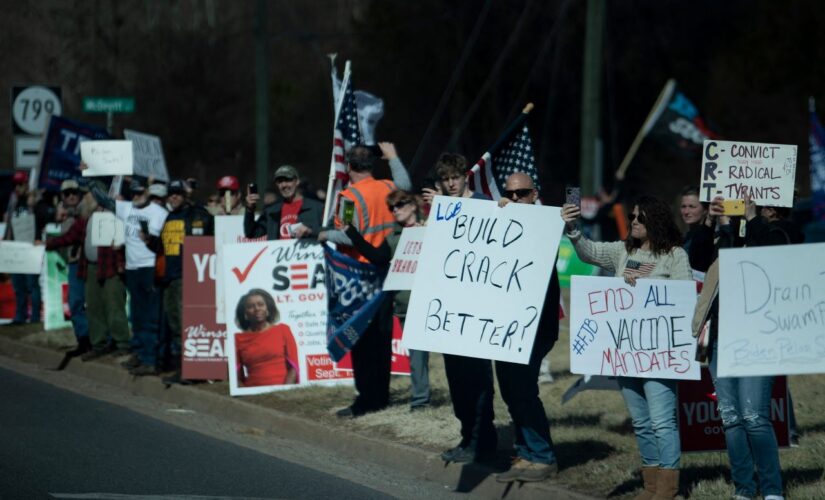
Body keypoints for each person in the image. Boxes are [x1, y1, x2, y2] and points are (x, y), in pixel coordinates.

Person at [561, 195, 690, 499]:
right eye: (632, 217)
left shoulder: (674, 255)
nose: (633, 222)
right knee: (642, 423)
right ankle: (651, 484)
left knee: (662, 421)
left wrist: (643, 286)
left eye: (640, 218)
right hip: (625, 353)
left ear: (655, 222)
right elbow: (589, 252)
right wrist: (574, 229)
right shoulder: (622, 251)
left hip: (658, 355)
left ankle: (668, 488)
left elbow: (684, 298)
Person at [693, 194, 798, 500]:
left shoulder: (777, 232)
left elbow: (771, 258)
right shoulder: (724, 236)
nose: (735, 205)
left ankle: (772, 490)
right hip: (721, 336)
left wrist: (753, 220)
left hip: (757, 337)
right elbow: (697, 260)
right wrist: (710, 221)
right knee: (731, 417)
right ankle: (743, 488)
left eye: (742, 201)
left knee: (754, 416)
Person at [319, 144, 409, 417]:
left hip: (360, 276)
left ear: (349, 167)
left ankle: (365, 400)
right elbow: (405, 184)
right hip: (387, 272)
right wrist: (393, 157)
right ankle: (380, 396)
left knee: (360, 339)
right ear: (372, 164)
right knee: (382, 339)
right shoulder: (387, 186)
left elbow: (347, 235)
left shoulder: (348, 196)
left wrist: (324, 235)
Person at [422, 152, 497, 464]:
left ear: (465, 176)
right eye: (445, 179)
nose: (451, 184)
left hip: (477, 309)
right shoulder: (441, 208)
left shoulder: (483, 204)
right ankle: (467, 437)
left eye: (455, 178)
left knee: (479, 379)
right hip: (449, 311)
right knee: (457, 381)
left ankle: (483, 442)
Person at [494, 172, 561, 482]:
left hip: (536, 327)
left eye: (522, 193)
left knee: (523, 389)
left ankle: (543, 455)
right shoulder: (501, 222)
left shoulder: (545, 223)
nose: (516, 198)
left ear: (535, 194)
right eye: (511, 193)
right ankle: (525, 450)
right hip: (504, 327)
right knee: (509, 388)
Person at [87, 176, 169, 375]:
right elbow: (104, 200)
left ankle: (151, 359)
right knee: (137, 315)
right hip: (133, 268)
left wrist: (152, 240)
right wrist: (91, 178)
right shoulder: (127, 208)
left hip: (150, 268)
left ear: (148, 192)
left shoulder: (159, 213)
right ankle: (140, 355)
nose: (137, 196)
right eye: (133, 193)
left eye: (140, 192)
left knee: (150, 316)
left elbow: (167, 240)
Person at [45, 192, 130, 360]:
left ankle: (122, 344)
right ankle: (99, 344)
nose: (85, 199)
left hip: (111, 267)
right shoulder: (86, 218)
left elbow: (123, 243)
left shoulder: (114, 216)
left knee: (113, 306)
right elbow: (70, 236)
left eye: (89, 196)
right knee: (94, 307)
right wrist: (49, 243)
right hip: (90, 268)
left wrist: (121, 263)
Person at [145, 179, 214, 381]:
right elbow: (163, 247)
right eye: (171, 194)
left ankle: (192, 369)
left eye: (177, 194)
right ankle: (186, 366)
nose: (173, 197)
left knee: (186, 324)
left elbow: (210, 233)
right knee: (175, 323)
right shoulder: (169, 218)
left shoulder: (196, 214)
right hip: (169, 277)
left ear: (184, 196)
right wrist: (150, 241)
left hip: (187, 276)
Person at [4, 171, 51, 324]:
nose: (18, 187)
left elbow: (43, 216)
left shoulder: (34, 200)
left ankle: (35, 317)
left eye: (21, 184)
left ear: (26, 184)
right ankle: (20, 315)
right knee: (18, 285)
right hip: (16, 248)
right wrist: (6, 242)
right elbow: (9, 224)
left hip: (30, 247)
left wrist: (35, 202)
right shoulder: (13, 201)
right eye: (16, 184)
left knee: (32, 284)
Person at [51, 180, 90, 353]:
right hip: (74, 264)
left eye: (75, 192)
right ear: (62, 196)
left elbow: (84, 212)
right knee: (75, 302)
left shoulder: (84, 209)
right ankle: (83, 339)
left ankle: (99, 340)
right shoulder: (63, 215)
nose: (72, 196)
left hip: (90, 263)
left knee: (95, 304)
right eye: (67, 193)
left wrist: (64, 213)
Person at [234, 288, 298, 387]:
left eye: (261, 304)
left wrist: (284, 392)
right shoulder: (237, 339)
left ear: (267, 308)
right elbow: (236, 378)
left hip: (284, 393)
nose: (257, 309)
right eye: (251, 306)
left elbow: (293, 368)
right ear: (245, 313)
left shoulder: (283, 330)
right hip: (252, 395)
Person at [244, 165, 323, 240]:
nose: (284, 185)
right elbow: (251, 233)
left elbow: (332, 231)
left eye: (288, 180)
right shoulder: (271, 212)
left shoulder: (317, 208)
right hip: (278, 253)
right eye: (280, 182)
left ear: (297, 181)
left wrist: (311, 231)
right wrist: (250, 209)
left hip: (308, 254)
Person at [679, 186, 713, 274]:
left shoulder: (708, 237)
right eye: (683, 206)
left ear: (705, 210)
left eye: (692, 207)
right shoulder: (685, 237)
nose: (686, 211)